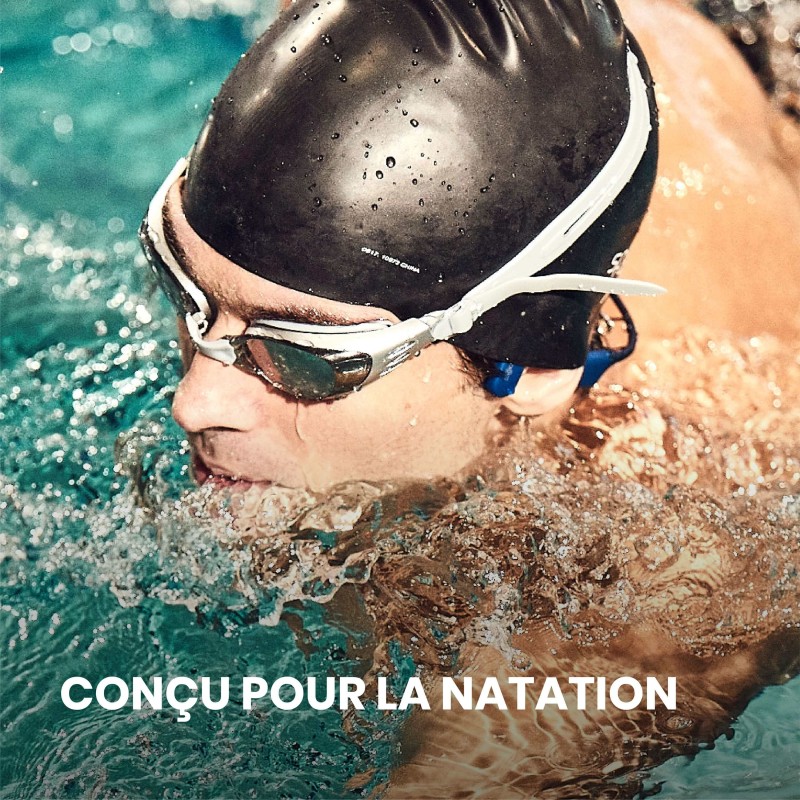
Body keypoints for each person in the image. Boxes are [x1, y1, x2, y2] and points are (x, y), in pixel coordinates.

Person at [139, 0, 669, 492]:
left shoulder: (660, 513)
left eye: (304, 358)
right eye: (184, 290)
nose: (193, 404)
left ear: (531, 369)